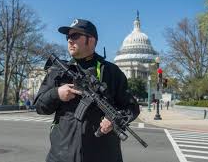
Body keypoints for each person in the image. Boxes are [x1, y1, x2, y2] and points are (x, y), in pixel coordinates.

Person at [33, 19, 139, 162]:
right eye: (68, 37)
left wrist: (115, 120)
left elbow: (131, 107)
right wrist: (57, 93)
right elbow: (40, 106)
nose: (70, 40)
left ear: (91, 40)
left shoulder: (112, 72)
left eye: (75, 36)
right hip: (61, 156)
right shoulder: (58, 70)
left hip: (104, 156)